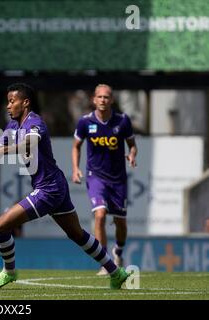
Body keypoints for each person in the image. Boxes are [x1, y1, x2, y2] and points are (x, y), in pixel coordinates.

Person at [0, 83, 131, 289]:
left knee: (0, 226)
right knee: (77, 234)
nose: (8, 106)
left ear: (25, 103)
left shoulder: (35, 122)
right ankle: (116, 271)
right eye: (7, 101)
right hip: (54, 185)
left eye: (12, 101)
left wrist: (7, 150)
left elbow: (30, 143)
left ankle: (9, 272)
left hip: (49, 188)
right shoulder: (12, 127)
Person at [72, 84, 138, 276]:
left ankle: (118, 251)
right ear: (94, 99)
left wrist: (132, 155)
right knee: (99, 215)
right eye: (99, 97)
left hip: (118, 180)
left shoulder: (122, 121)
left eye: (106, 97)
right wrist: (76, 168)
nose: (103, 100)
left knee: (120, 222)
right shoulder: (85, 122)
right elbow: (76, 146)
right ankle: (106, 263)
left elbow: (132, 145)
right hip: (96, 177)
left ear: (112, 100)